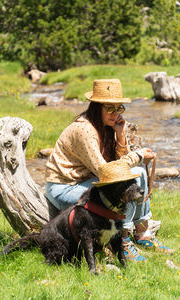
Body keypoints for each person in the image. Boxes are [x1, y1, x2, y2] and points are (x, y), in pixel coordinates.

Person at [45, 78, 173, 262]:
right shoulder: (84, 130)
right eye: (110, 108)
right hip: (65, 187)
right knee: (129, 179)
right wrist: (136, 156)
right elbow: (106, 172)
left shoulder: (106, 126)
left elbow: (119, 169)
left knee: (139, 173)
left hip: (86, 180)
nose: (115, 113)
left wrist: (121, 135)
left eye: (119, 108)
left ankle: (143, 234)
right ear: (97, 107)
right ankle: (123, 241)